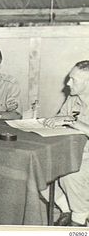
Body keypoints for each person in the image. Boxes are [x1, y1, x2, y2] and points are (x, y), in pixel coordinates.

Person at [43, 60, 89, 227]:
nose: (68, 83)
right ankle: (66, 208)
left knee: (70, 174)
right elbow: (61, 118)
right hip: (72, 151)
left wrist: (76, 123)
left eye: (74, 80)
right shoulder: (72, 99)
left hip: (87, 157)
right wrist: (53, 121)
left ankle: (79, 218)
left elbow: (71, 121)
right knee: (38, 169)